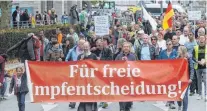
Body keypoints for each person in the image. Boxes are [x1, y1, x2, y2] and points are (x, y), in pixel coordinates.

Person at [115, 42, 136, 111]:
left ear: (129, 48)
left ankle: (128, 106)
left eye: (127, 46)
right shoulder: (118, 56)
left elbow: (136, 67)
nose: (126, 48)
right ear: (122, 48)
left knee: (128, 102)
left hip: (130, 80)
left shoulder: (133, 56)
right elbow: (114, 66)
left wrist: (128, 62)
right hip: (121, 80)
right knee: (122, 100)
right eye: (124, 46)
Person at [77, 41, 98, 111]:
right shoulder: (80, 56)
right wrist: (81, 60)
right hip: (83, 80)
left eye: (87, 46)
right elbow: (76, 67)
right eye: (84, 47)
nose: (85, 48)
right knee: (83, 97)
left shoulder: (93, 56)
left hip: (92, 80)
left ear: (89, 47)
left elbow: (97, 67)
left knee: (91, 96)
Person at [158, 40, 177, 109]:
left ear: (172, 45)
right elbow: (159, 61)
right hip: (164, 72)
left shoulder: (175, 52)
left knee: (172, 87)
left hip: (173, 72)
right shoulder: (162, 52)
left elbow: (178, 61)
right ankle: (168, 100)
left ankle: (172, 102)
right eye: (167, 44)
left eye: (170, 44)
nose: (168, 45)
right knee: (166, 87)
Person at [177, 46, 194, 111]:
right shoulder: (177, 58)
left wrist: (191, 78)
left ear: (182, 51)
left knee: (185, 96)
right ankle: (179, 105)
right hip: (179, 79)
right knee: (178, 94)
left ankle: (184, 109)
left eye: (179, 50)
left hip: (186, 79)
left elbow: (192, 69)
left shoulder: (189, 58)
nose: (178, 51)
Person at [192, 35, 207, 101]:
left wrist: (205, 61)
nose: (201, 39)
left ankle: (206, 95)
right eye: (200, 38)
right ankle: (199, 94)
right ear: (198, 39)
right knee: (199, 81)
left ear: (205, 39)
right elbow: (193, 57)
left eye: (202, 38)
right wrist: (197, 61)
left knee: (205, 81)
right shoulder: (195, 47)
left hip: (205, 66)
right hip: (198, 66)